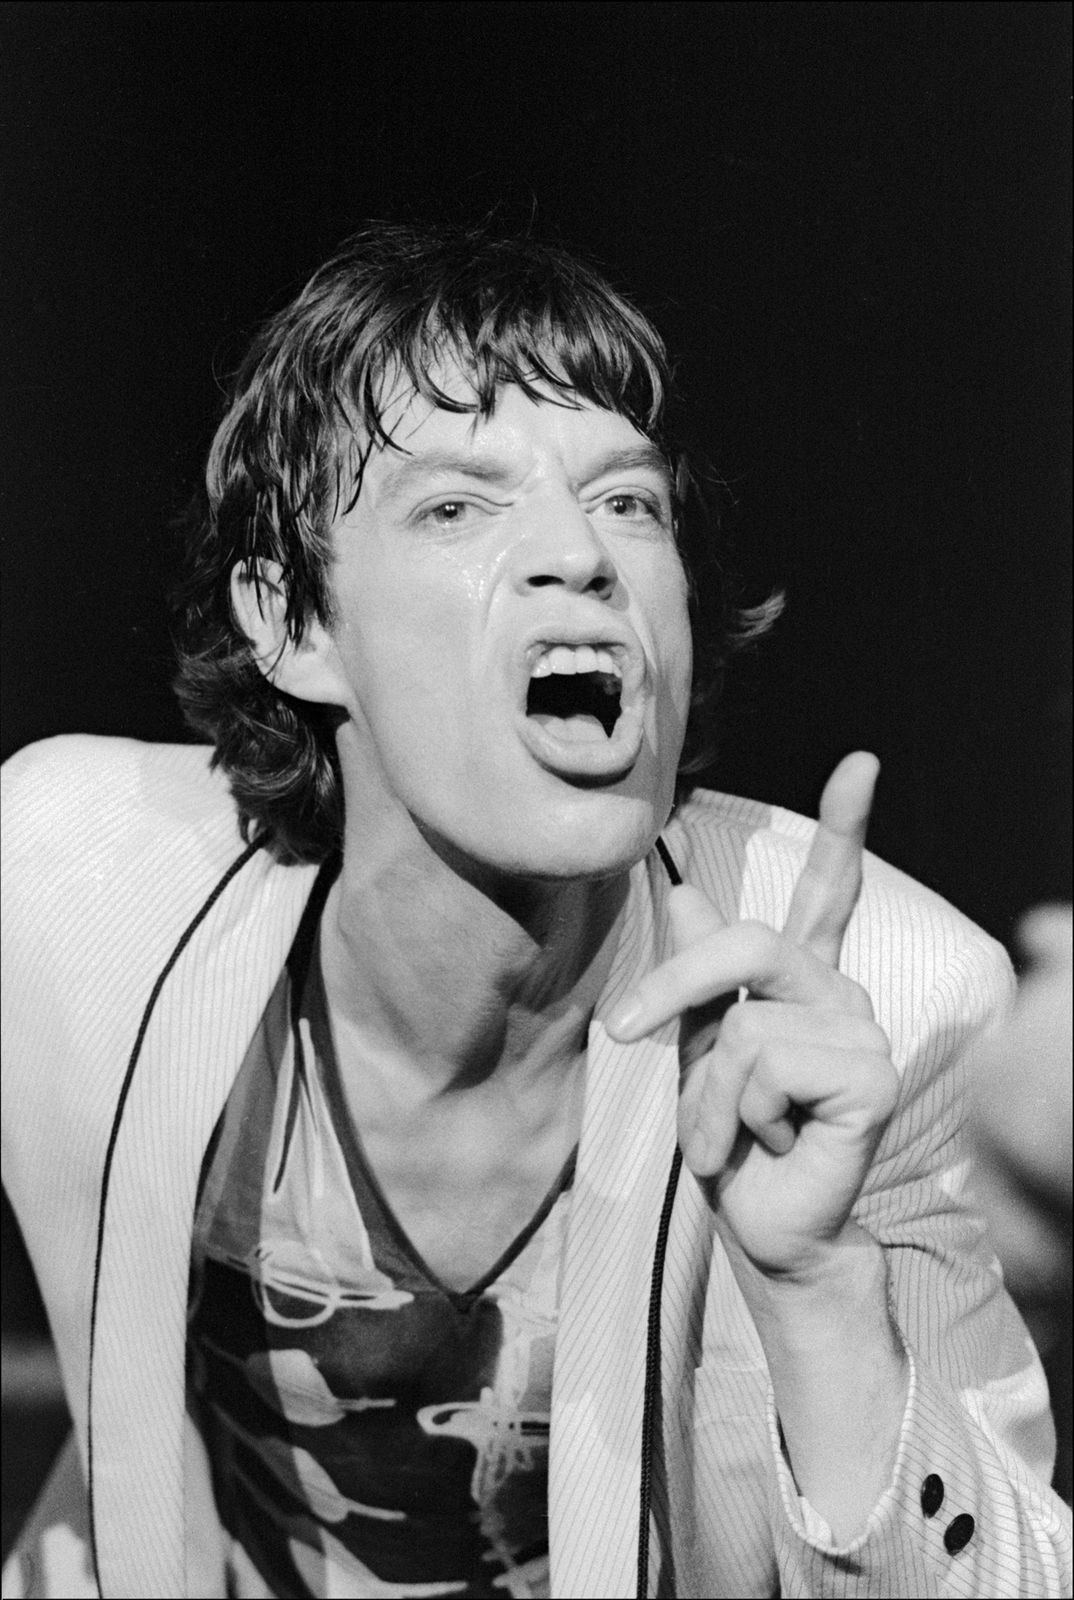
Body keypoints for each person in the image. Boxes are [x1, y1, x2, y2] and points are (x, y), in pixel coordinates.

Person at [1, 225, 1070, 1600]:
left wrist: (817, 1293)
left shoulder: (889, 1003)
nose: (580, 553)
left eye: (629, 502)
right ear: (294, 625)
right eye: (456, 507)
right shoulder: (65, 876)